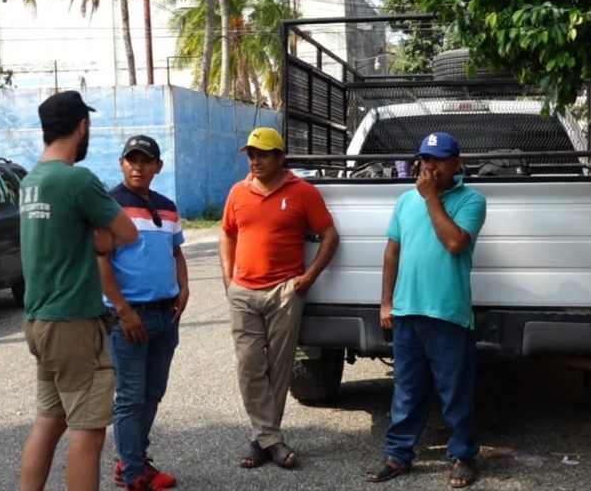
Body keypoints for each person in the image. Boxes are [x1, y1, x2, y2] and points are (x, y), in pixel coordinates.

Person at [18, 90, 139, 491]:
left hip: (39, 320)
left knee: (49, 420)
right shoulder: (76, 179)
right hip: (73, 322)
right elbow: (125, 231)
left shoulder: (31, 179)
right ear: (82, 126)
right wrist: (100, 240)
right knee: (88, 431)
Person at [366, 131, 486, 489]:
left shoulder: (472, 200)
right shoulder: (405, 200)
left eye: (438, 159)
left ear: (457, 163)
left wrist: (432, 198)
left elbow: (454, 242)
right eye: (425, 159)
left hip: (448, 313)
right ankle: (397, 455)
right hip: (406, 312)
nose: (429, 166)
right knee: (406, 389)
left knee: (455, 390)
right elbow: (392, 251)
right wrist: (386, 300)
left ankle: (462, 456)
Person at [219, 126, 340, 470]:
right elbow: (226, 233)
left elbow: (330, 236)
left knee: (279, 368)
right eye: (251, 155)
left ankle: (261, 440)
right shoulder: (237, 192)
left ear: (280, 157)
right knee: (249, 367)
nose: (255, 161)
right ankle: (271, 439)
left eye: (262, 154)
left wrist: (308, 277)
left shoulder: (302, 192)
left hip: (285, 291)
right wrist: (228, 277)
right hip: (244, 292)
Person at [99, 135, 189, 491]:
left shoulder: (167, 207)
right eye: (131, 159)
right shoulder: (109, 206)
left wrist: (184, 288)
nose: (138, 166)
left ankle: (132, 459)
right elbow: (101, 261)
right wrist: (123, 311)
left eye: (145, 160)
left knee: (153, 392)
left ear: (158, 167)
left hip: (165, 315)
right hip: (128, 319)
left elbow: (177, 253)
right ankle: (134, 474)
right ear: (121, 163)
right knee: (130, 397)